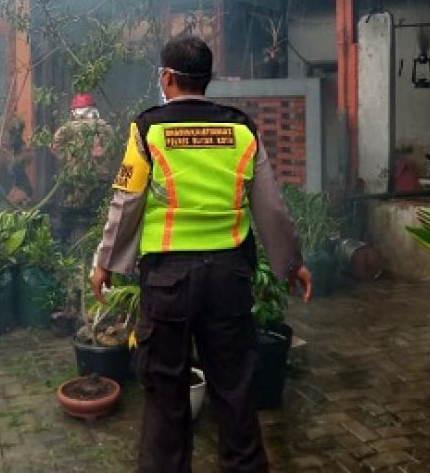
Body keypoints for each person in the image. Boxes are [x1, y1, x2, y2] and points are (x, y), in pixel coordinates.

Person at [90, 35, 312, 473]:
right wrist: (291, 263)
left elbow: (126, 201)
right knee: (235, 394)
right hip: (229, 278)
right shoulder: (241, 129)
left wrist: (106, 261)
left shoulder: (148, 128)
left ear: (167, 78)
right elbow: (270, 205)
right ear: (206, 79)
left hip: (168, 282)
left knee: (166, 398)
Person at [50, 92, 116, 242]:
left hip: (75, 179)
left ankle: (62, 247)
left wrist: (68, 159)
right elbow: (113, 149)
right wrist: (102, 162)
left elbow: (55, 147)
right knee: (99, 215)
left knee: (67, 215)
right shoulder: (105, 127)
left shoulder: (67, 128)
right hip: (100, 180)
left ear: (74, 111)